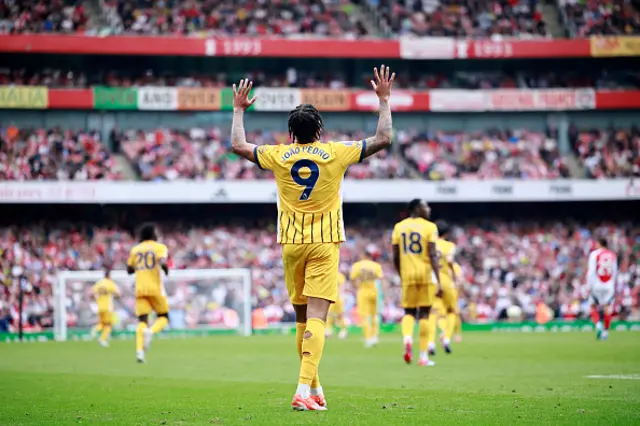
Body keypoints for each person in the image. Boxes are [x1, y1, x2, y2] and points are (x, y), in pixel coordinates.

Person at [229, 64, 395, 411]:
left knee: (303, 320)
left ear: (291, 134)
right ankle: (303, 390)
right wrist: (383, 100)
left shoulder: (278, 154)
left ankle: (315, 388)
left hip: (290, 244)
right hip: (323, 244)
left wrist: (238, 110)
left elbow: (238, 145)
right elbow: (384, 139)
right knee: (318, 318)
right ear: (319, 130)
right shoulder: (336, 152)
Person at [391, 199, 442, 367]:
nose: (428, 209)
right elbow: (433, 254)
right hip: (425, 275)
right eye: (425, 206)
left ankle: (407, 338)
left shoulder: (399, 227)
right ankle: (423, 356)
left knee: (409, 312)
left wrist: (401, 274)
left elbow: (396, 255)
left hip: (408, 276)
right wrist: (439, 280)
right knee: (425, 314)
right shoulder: (430, 227)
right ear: (416, 208)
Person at [126, 223, 170, 363]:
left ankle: (139, 352)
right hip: (155, 288)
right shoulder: (159, 247)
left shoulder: (135, 249)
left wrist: (140, 267)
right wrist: (166, 270)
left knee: (142, 320)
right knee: (163, 316)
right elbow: (162, 262)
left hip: (140, 288)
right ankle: (151, 332)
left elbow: (129, 270)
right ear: (152, 234)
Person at [432, 220, 457, 355]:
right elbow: (449, 260)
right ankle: (446, 338)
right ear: (446, 233)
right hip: (446, 280)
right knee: (451, 311)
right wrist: (454, 275)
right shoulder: (449, 246)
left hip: (431, 281)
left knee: (432, 313)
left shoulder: (429, 245)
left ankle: (430, 343)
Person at [351, 246, 384, 348]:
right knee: (374, 315)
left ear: (364, 255)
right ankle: (375, 336)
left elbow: (353, 279)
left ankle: (368, 338)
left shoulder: (357, 265)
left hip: (363, 291)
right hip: (374, 291)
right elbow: (381, 279)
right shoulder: (376, 266)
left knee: (364, 316)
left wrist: (356, 286)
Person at [587, 238, 618, 341]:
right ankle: (605, 332)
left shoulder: (594, 254)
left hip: (596, 284)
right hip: (609, 285)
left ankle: (598, 324)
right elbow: (614, 272)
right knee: (607, 309)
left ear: (600, 243)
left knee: (592, 306)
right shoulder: (612, 255)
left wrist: (589, 286)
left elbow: (591, 271)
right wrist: (613, 286)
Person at [90, 269, 121, 347]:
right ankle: (102, 339)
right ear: (109, 276)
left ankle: (96, 329)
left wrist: (97, 299)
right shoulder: (110, 283)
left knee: (102, 324)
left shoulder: (99, 283)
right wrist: (115, 296)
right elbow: (118, 294)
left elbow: (92, 294)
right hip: (108, 307)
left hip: (100, 306)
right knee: (109, 325)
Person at [325, 271, 348, 340]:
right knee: (329, 314)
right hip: (329, 297)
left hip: (338, 298)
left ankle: (343, 330)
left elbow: (342, 286)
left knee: (340, 315)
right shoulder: (328, 274)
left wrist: (342, 296)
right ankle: (328, 330)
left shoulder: (339, 275)